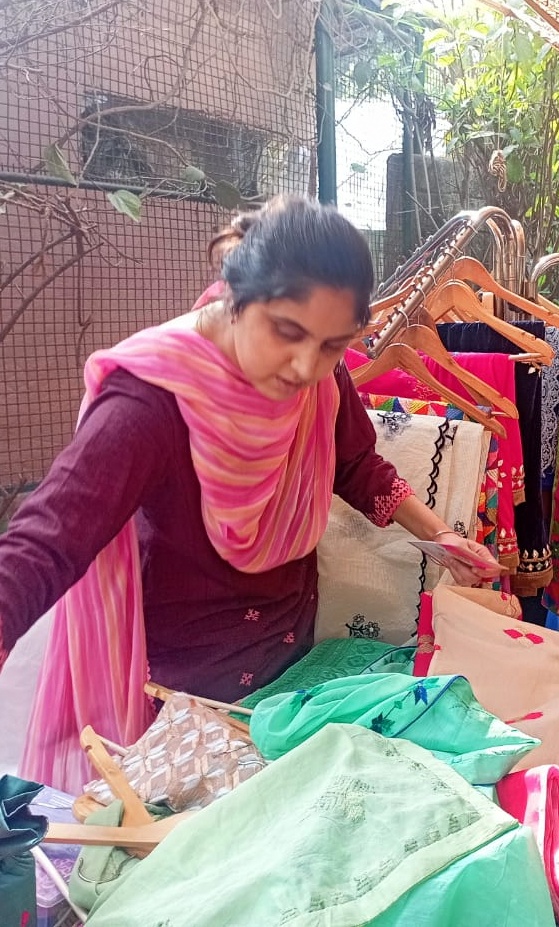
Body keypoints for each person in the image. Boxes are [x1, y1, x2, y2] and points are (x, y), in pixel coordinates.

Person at [0, 195, 501, 789]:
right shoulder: (152, 403)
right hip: (190, 684)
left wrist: (441, 536)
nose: (304, 366)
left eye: (332, 346)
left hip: (292, 647)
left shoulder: (321, 377)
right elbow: (48, 541)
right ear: (237, 295)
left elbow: (357, 464)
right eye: (286, 332)